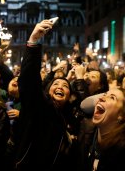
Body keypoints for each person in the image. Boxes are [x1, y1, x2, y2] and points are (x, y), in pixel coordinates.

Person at [15, 19, 78, 170]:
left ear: (70, 95)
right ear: (47, 91)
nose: (60, 86)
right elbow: (29, 80)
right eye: (55, 84)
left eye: (65, 85)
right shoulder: (41, 106)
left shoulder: (73, 118)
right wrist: (33, 42)